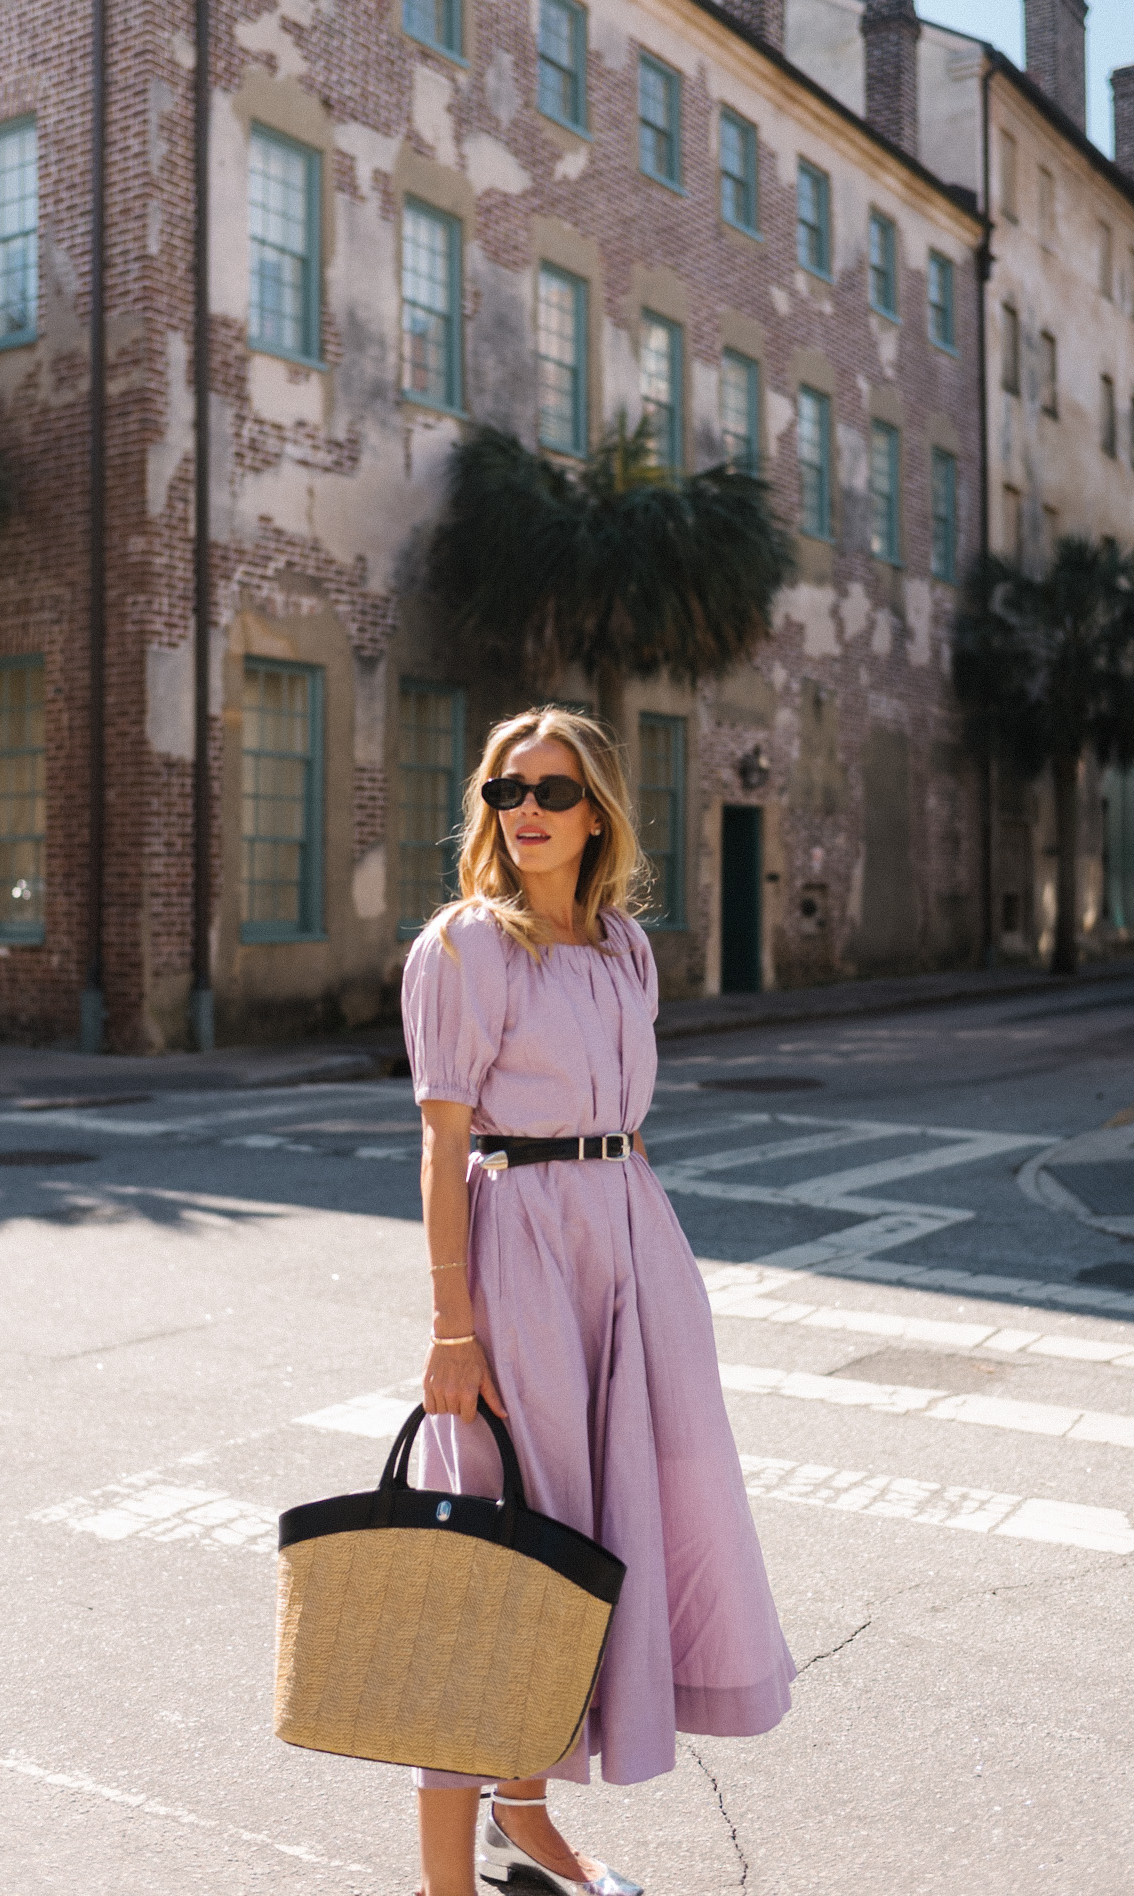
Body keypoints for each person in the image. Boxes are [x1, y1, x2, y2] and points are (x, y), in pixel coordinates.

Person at [402, 706, 794, 1896]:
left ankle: (524, 1820)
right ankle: (441, 1882)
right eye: (503, 792)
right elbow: (440, 1147)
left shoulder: (626, 949)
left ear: (598, 812)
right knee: (496, 1551)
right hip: (518, 1250)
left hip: (631, 1247)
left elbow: (623, 1122)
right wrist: (450, 1329)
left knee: (602, 1538)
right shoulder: (465, 947)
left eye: (551, 791)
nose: (523, 811)